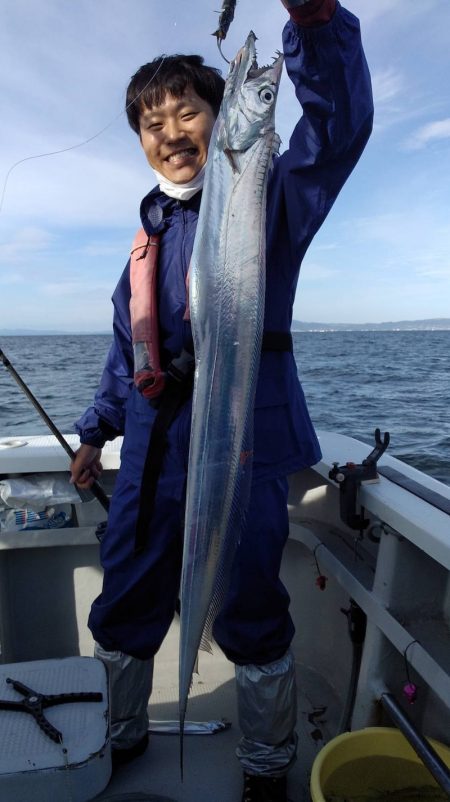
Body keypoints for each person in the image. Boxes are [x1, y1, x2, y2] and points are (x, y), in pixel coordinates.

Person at [70, 1, 373, 800]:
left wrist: (315, 25)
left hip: (243, 441)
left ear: (221, 117)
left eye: (187, 112)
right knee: (126, 595)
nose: (171, 132)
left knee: (248, 604)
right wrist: (96, 432)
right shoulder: (145, 243)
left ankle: (267, 764)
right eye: (152, 123)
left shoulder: (267, 204)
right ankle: (120, 734)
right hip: (152, 452)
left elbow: (337, 131)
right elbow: (125, 354)